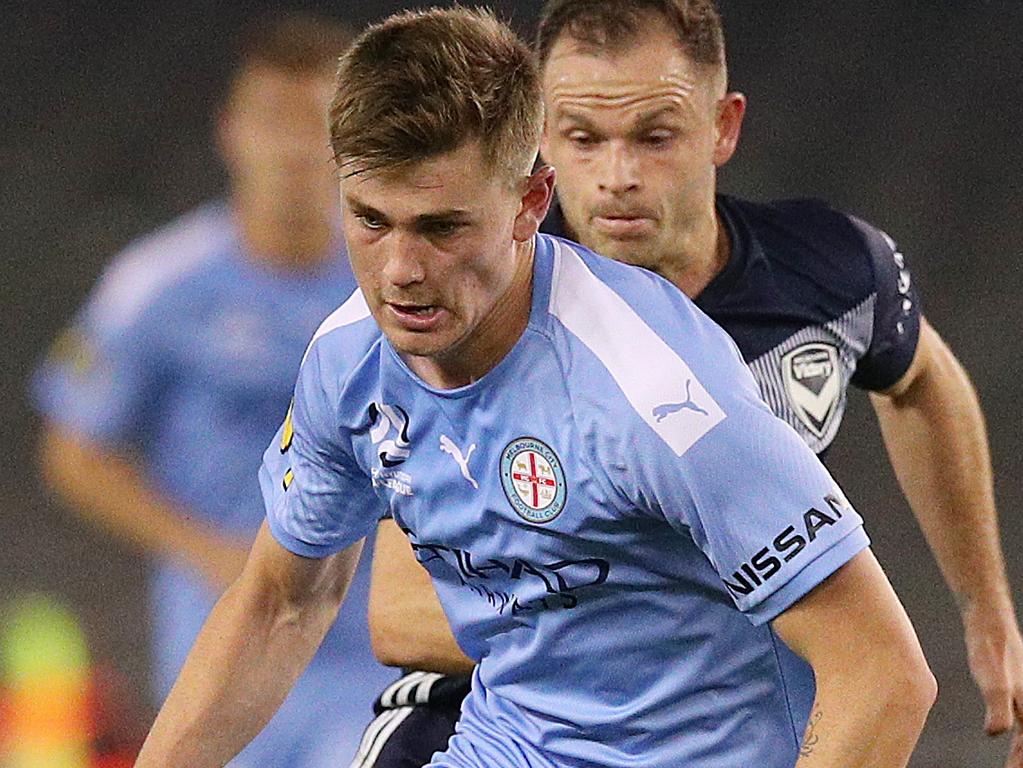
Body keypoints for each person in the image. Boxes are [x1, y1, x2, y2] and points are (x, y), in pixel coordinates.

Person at [133, 8, 935, 768]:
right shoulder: (348, 360)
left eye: (441, 227)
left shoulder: (657, 392)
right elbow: (280, 602)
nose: (399, 273)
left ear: (528, 202)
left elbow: (883, 675)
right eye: (370, 219)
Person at [363, 2, 1023, 767]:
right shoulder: (476, 308)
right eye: (582, 137)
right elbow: (402, 615)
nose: (617, 177)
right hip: (489, 721)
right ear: (538, 137)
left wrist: (985, 613)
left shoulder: (830, 277)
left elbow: (919, 380)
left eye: (654, 136)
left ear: (721, 126)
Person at [32, 13, 395, 766]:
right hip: (222, 652)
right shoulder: (160, 284)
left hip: (369, 659)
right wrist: (204, 549)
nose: (294, 148)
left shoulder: (402, 280)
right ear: (231, 132)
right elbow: (73, 451)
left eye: (316, 124)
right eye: (273, 120)